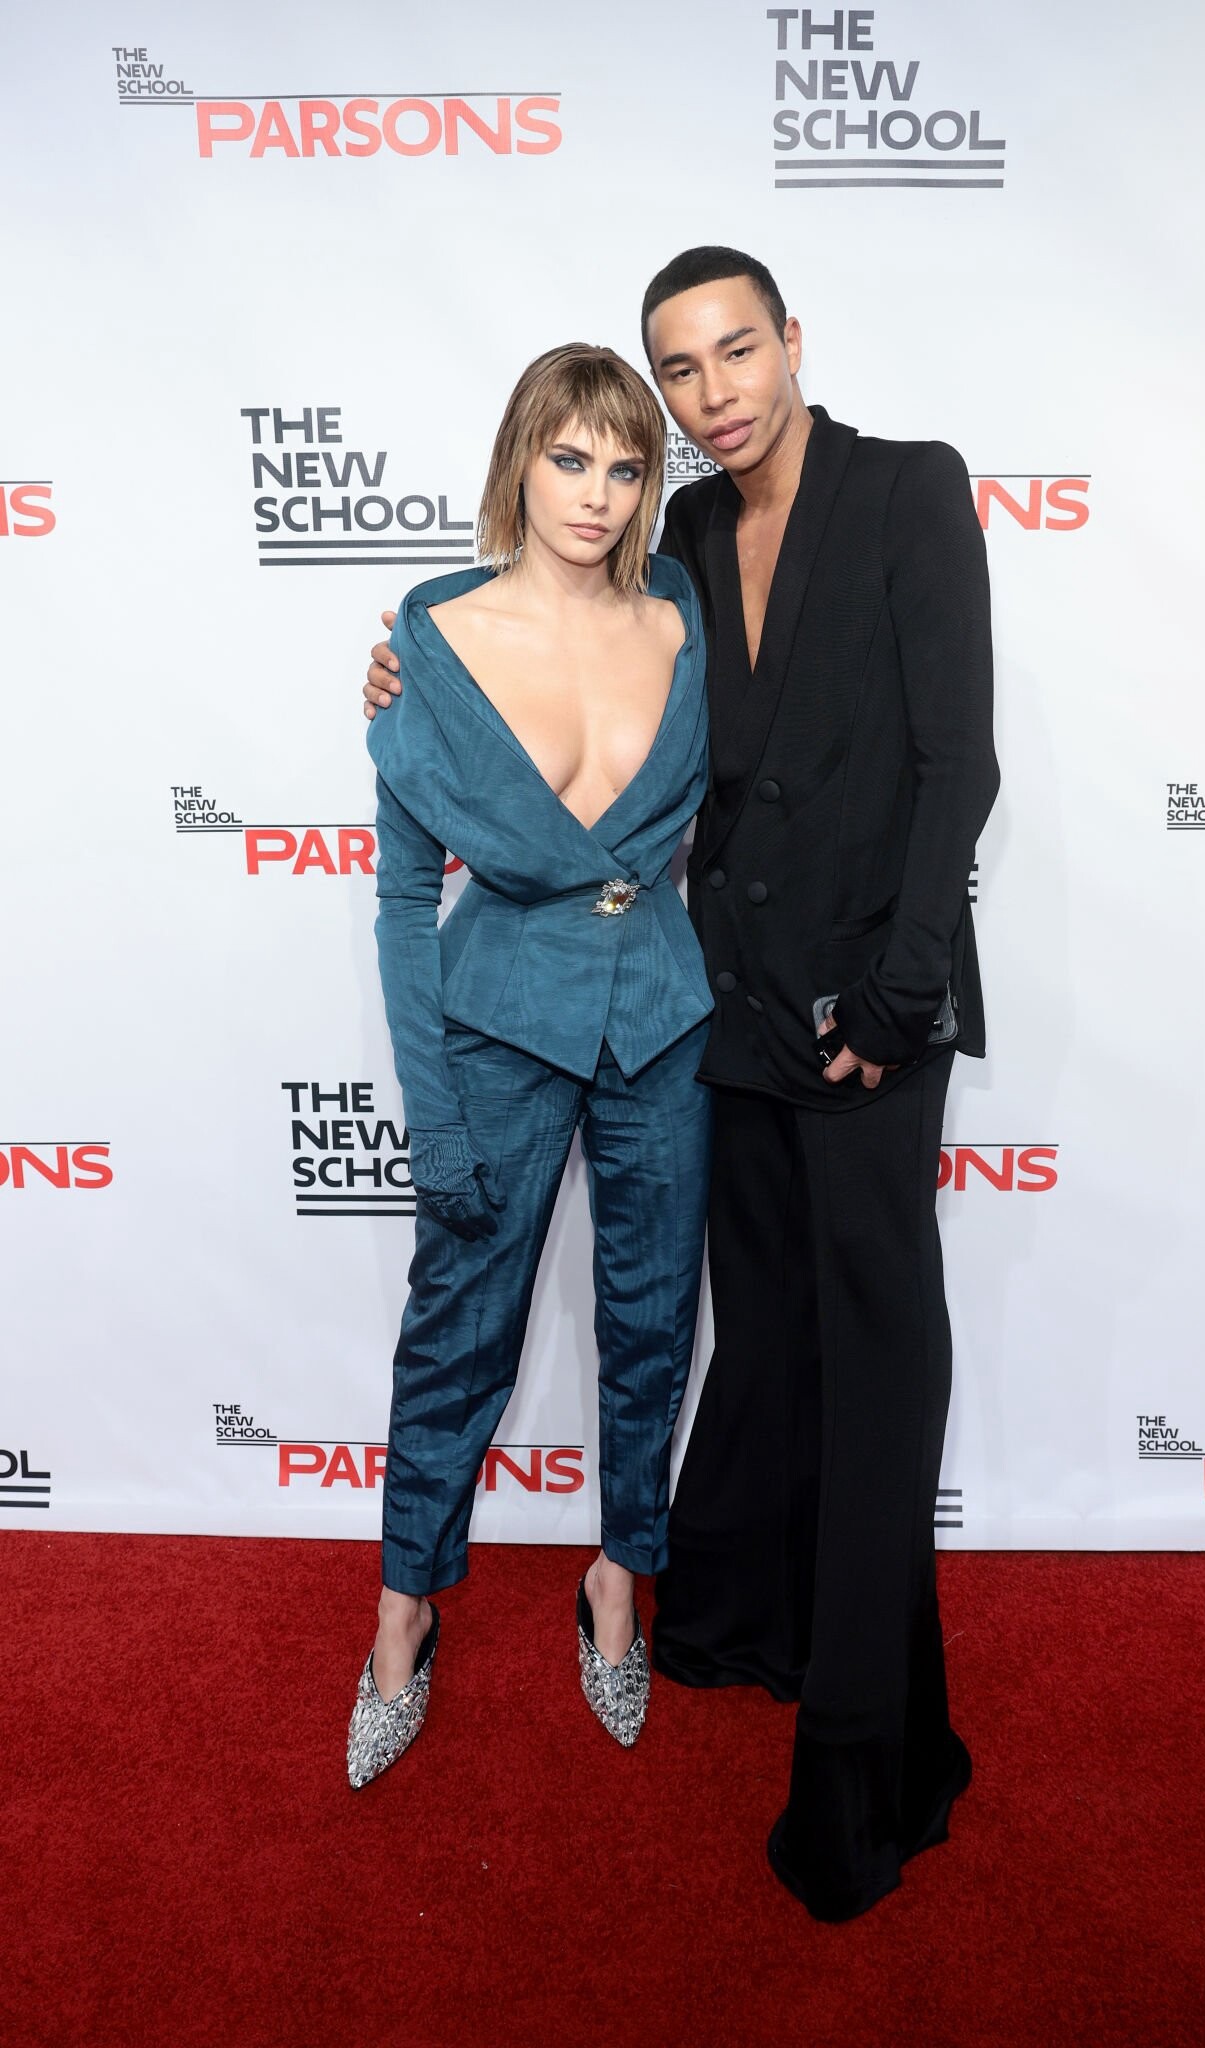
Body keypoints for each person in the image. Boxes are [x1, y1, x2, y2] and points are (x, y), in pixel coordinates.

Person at [364, 249, 999, 1924]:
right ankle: (557, 1615)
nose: (710, 396)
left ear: (789, 343)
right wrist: (404, 669)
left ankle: (745, 1667)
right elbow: (446, 839)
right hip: (622, 1022)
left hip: (780, 1019)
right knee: (611, 1333)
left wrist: (903, 991)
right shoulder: (613, 568)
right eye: (677, 376)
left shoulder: (830, 524)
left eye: (734, 355)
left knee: (765, 1352)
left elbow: (946, 760)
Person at [348, 343, 713, 1791]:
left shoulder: (683, 613)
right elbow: (400, 899)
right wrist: (431, 1115)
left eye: (626, 466)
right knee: (459, 1330)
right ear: (519, 459)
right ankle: (401, 1616)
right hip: (498, 1024)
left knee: (652, 1323)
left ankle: (619, 1579)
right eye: (569, 458)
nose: (596, 494)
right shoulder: (433, 637)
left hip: (666, 1025)